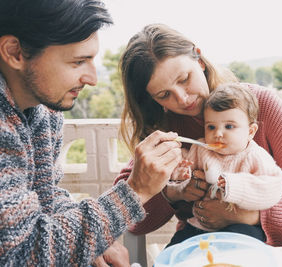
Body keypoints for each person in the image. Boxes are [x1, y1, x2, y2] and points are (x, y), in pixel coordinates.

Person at [115, 23, 282, 247]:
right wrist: (173, 194)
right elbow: (129, 220)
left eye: (184, 79)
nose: (182, 99)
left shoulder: (261, 106)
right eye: (164, 95)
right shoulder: (166, 130)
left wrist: (247, 215)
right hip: (198, 245)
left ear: (199, 60)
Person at [0, 2, 182, 266]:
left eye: (92, 59)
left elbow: (46, 198)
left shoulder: (43, 111)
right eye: (78, 61)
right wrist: (135, 190)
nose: (93, 78)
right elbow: (22, 252)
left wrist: (97, 241)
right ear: (15, 52)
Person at [166, 83, 282, 247]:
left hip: (241, 227)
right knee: (176, 247)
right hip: (199, 226)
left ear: (250, 132)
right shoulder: (201, 150)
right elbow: (184, 180)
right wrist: (180, 176)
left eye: (229, 126)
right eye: (211, 127)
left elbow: (273, 189)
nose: (218, 134)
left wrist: (234, 185)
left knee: (245, 244)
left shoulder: (255, 156)